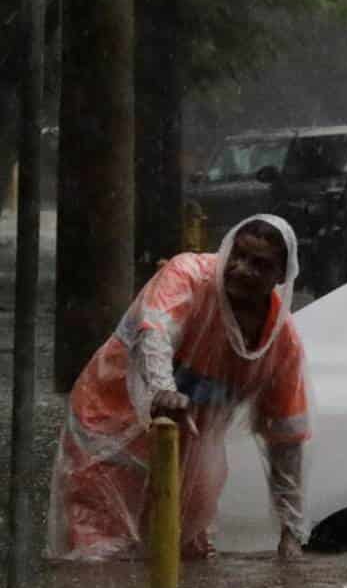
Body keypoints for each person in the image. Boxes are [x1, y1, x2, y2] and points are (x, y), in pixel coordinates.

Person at [48, 215, 311, 563]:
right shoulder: (189, 274)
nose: (241, 269)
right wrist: (162, 390)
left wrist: (291, 532)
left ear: (280, 276)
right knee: (98, 556)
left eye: (259, 265)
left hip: (188, 451)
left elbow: (286, 439)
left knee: (184, 557)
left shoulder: (281, 343)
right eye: (238, 255)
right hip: (112, 427)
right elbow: (154, 331)